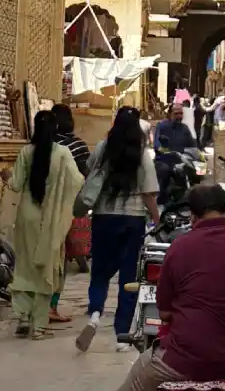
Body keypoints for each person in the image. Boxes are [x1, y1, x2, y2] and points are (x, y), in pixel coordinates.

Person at [116, 184, 225, 391]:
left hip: (185, 360)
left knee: (138, 375)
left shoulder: (179, 248)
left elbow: (166, 313)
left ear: (193, 216)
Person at [78, 107, 161, 353]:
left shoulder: (104, 147)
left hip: (103, 217)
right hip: (132, 221)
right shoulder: (142, 155)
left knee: (100, 271)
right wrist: (157, 219)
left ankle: (94, 313)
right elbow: (148, 193)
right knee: (129, 278)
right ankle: (121, 333)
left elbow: (89, 170)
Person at [0, 110, 85, 339]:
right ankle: (39, 326)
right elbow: (77, 181)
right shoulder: (63, 154)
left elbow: (16, 185)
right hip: (52, 218)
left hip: (27, 216)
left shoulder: (26, 152)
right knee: (46, 268)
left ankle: (23, 316)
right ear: (56, 129)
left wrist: (6, 176)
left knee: (25, 266)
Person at [50, 104, 91, 324]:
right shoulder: (77, 145)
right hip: (69, 207)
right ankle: (52, 305)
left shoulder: (40, 145)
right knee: (62, 258)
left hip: (41, 208)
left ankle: (36, 306)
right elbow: (85, 175)